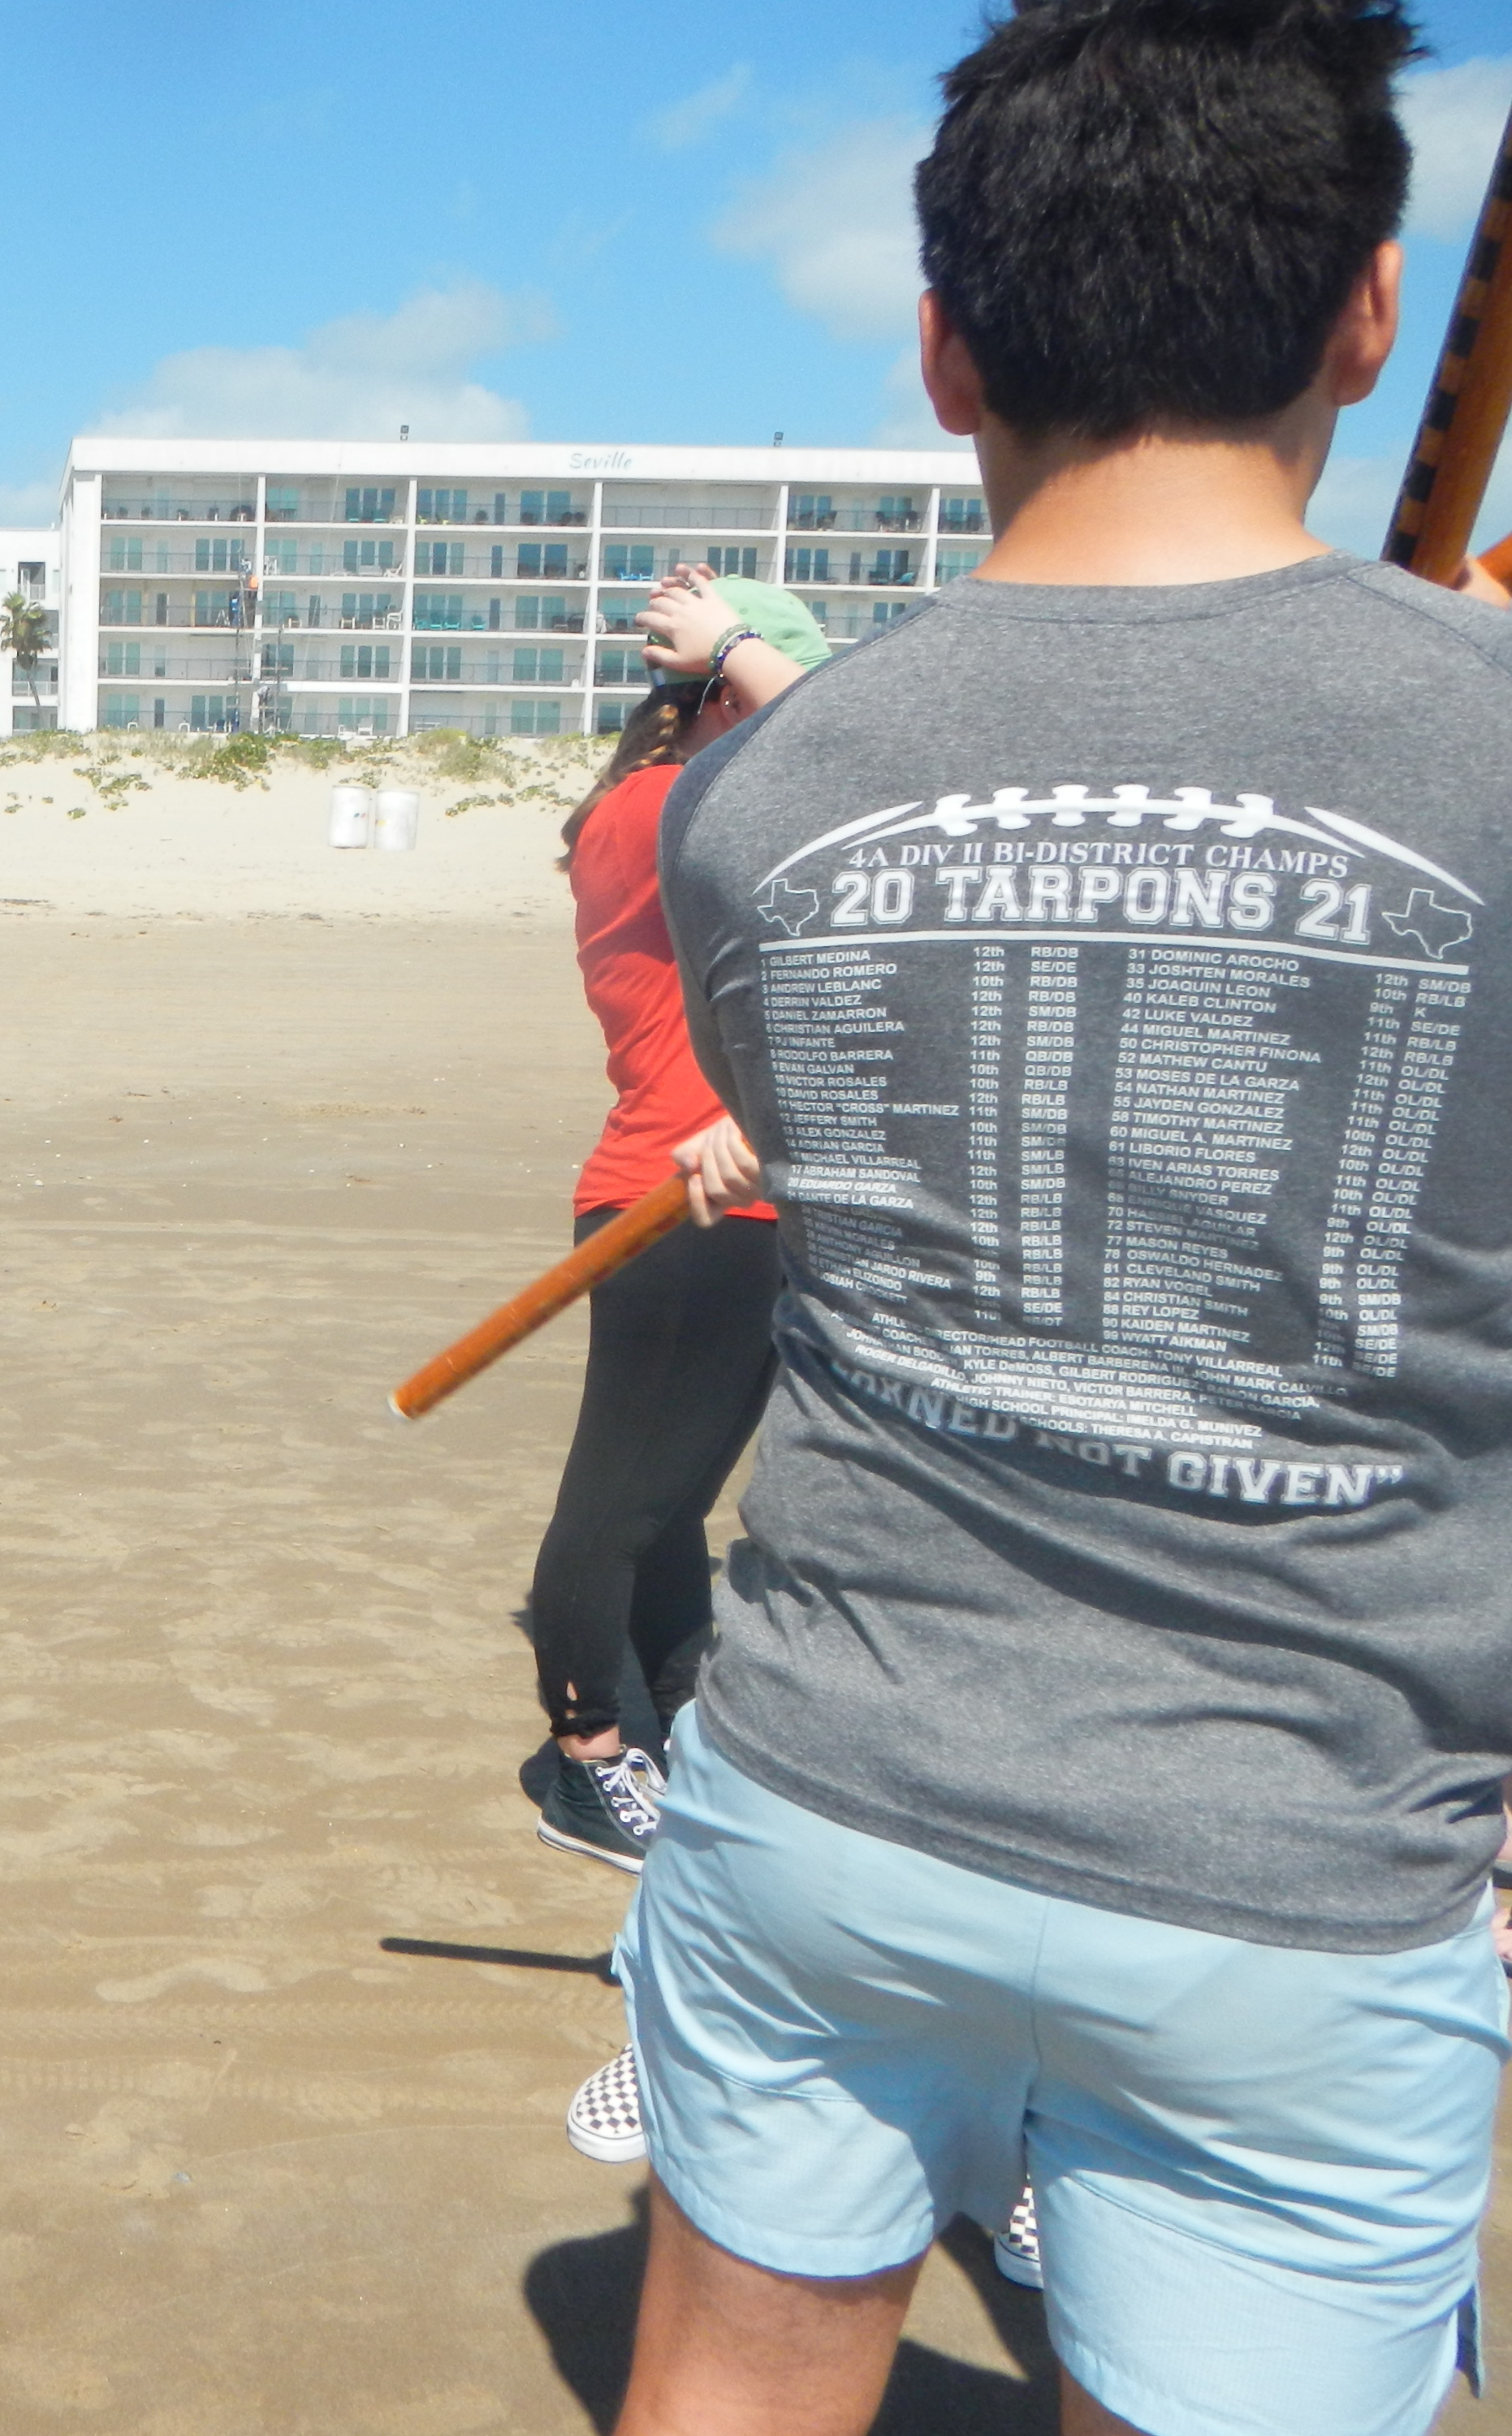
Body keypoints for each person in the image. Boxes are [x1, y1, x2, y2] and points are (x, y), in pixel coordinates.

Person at [617, 8, 1512, 2432]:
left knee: (723, 2374)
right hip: (1302, 1841)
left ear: (938, 348)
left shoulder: (760, 792)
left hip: (821, 1782)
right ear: (1359, 311)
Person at [521, 578, 827, 1879]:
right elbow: (845, 757)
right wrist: (744, 653)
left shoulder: (645, 809)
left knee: (669, 1500)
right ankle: (584, 1758)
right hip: (690, 1195)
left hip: (694, 1191)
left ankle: (686, 1723)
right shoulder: (665, 810)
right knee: (621, 1499)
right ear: (716, 703)